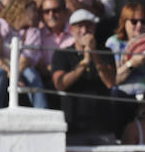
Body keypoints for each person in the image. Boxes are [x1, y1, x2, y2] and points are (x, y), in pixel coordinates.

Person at [50, 8, 118, 142]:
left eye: (89, 26)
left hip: (102, 126)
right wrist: (85, 62)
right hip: (73, 126)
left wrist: (94, 55)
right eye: (80, 26)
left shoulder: (105, 52)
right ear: (71, 29)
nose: (84, 30)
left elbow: (110, 82)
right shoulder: (61, 54)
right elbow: (60, 84)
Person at [0, 0, 48, 108]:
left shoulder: (33, 32)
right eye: (33, 10)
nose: (37, 15)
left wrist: (15, 74)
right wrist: (9, 70)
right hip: (0, 66)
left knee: (32, 75)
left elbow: (25, 59)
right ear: (22, 9)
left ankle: (42, 111)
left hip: (21, 68)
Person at [106, 2, 145, 98]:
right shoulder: (114, 43)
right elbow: (114, 79)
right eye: (134, 21)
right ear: (124, 22)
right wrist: (131, 64)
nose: (139, 25)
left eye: (143, 21)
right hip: (125, 94)